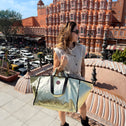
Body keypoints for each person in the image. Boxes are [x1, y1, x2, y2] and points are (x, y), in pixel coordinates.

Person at [53, 21, 90, 126]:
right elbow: (54, 73)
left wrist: (83, 79)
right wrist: (62, 66)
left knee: (82, 105)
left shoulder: (81, 48)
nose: (79, 34)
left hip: (78, 81)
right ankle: (64, 124)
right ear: (69, 33)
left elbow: (82, 66)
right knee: (62, 107)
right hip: (65, 83)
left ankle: (84, 121)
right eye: (77, 31)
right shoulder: (58, 51)